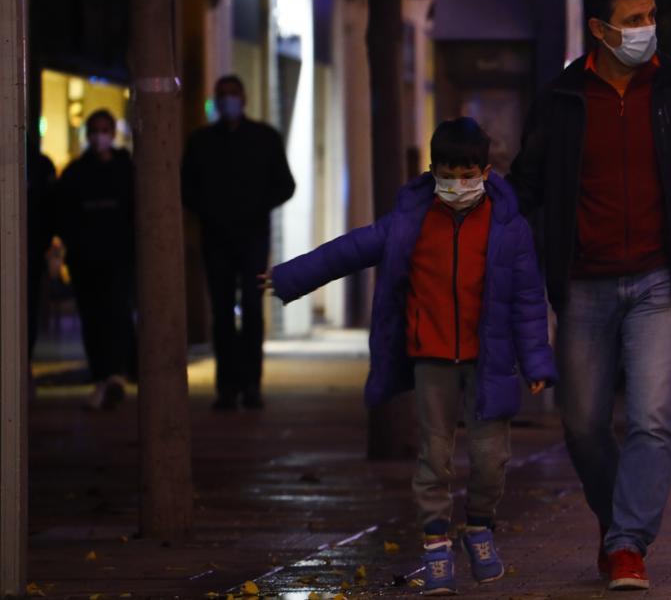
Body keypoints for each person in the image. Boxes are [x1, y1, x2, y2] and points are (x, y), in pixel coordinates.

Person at [510, 0, 671, 592]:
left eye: (651, 16)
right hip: (583, 281)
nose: (646, 29)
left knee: (652, 418)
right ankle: (619, 530)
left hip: (662, 280)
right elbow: (526, 184)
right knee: (582, 424)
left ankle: (628, 544)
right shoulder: (562, 99)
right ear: (599, 29)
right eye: (632, 19)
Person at [266, 118, 556, 595]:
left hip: (490, 361)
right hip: (432, 357)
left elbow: (527, 300)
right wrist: (289, 278)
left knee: (490, 459)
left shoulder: (509, 228)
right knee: (434, 459)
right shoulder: (412, 221)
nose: (458, 185)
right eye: (448, 173)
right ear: (432, 170)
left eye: (468, 174)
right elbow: (350, 249)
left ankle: (479, 526)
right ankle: (437, 543)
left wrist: (538, 363)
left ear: (485, 171)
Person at [182, 75, 295, 410]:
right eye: (222, 95)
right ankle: (227, 387)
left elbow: (285, 185)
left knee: (251, 310)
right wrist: (209, 211)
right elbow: (186, 187)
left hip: (252, 238)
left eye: (233, 94)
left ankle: (250, 385)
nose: (228, 100)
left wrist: (257, 206)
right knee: (221, 313)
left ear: (244, 99)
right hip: (216, 238)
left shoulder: (263, 139)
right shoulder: (201, 142)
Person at [55, 110, 137, 410]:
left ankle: (115, 372)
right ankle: (104, 375)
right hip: (85, 259)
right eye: (95, 130)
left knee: (116, 313)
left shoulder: (126, 169)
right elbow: (63, 214)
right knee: (93, 318)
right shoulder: (76, 173)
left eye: (104, 129)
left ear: (113, 132)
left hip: (119, 257)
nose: (99, 136)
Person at [27, 140, 57, 360]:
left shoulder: (40, 166)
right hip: (35, 245)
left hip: (34, 247)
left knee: (29, 307)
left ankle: (25, 359)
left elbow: (52, 207)